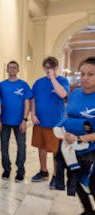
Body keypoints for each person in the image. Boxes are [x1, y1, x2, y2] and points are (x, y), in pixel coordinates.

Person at [55, 57, 95, 215]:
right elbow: (68, 115)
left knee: (92, 183)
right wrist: (62, 130)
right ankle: (88, 210)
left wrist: (80, 138)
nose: (84, 78)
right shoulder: (76, 93)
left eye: (90, 74)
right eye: (82, 74)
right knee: (75, 180)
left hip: (91, 148)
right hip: (72, 147)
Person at [31, 56, 70, 189]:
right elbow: (33, 99)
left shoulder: (62, 80)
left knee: (55, 151)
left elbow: (63, 94)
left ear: (55, 68)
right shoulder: (38, 82)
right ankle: (43, 171)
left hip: (55, 123)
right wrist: (33, 114)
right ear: (43, 68)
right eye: (46, 67)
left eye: (51, 67)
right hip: (39, 121)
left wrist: (52, 78)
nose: (48, 70)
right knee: (41, 147)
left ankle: (56, 176)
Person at [0, 61, 32, 182]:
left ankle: (20, 171)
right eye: (10, 67)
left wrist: (25, 120)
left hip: (19, 122)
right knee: (3, 147)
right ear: (7, 70)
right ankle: (6, 169)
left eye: (14, 68)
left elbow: (27, 103)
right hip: (4, 121)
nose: (12, 69)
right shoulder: (1, 85)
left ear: (18, 70)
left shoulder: (23, 85)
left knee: (21, 146)